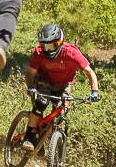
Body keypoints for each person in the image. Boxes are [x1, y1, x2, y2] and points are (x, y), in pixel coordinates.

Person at [22, 23, 100, 152]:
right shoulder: (38, 52)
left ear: (59, 42)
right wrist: (31, 88)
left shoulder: (71, 53)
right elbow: (29, 74)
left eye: (51, 46)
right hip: (43, 80)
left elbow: (90, 72)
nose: (48, 50)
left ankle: (43, 138)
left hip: (63, 85)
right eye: (44, 46)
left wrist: (94, 92)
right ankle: (29, 136)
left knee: (61, 112)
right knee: (41, 103)